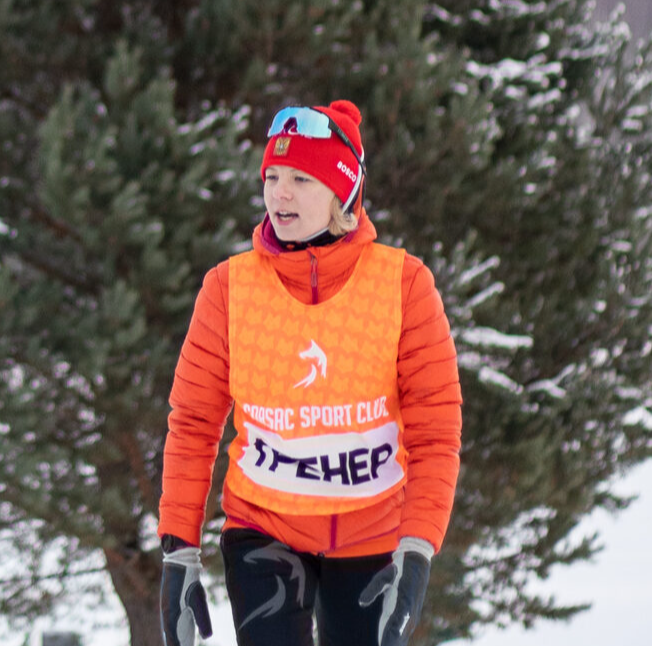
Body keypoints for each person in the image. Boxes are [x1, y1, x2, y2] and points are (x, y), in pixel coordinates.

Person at [157, 101, 463, 646]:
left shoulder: (404, 285)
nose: (280, 193)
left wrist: (417, 550)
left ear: (343, 190)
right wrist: (179, 549)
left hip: (376, 536)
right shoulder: (228, 289)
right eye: (272, 176)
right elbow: (193, 424)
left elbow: (435, 433)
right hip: (265, 531)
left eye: (301, 177)